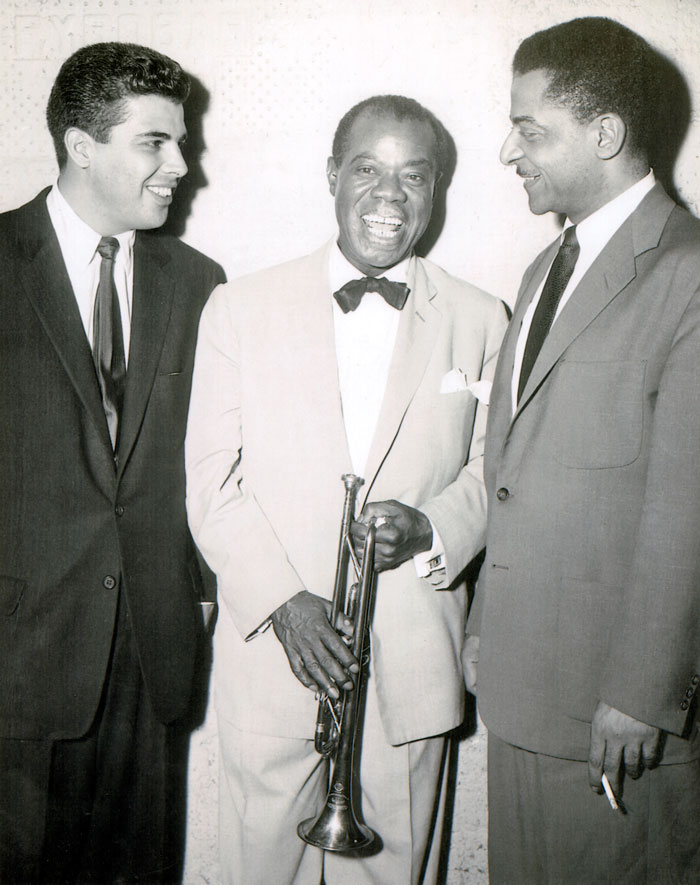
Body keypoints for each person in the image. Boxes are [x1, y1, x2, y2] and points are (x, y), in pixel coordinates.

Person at [185, 94, 507, 884]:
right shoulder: (239, 308)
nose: (390, 197)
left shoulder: (482, 317)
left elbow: (495, 475)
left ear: (437, 191)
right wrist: (287, 604)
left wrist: (431, 530)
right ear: (333, 175)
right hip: (275, 666)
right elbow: (210, 482)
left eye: (414, 176)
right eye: (367, 169)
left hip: (411, 670)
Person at [464, 16, 700, 883]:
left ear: (604, 134)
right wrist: (485, 620)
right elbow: (515, 476)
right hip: (522, 692)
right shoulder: (543, 270)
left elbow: (688, 507)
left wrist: (642, 691)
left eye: (529, 129)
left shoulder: (689, 273)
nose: (506, 150)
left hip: (616, 712)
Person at [0, 42, 225, 883]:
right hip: (16, 663)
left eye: (182, 140)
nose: (181, 164)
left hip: (151, 658)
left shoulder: (199, 282)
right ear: (80, 145)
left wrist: (200, 593)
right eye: (155, 142)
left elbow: (203, 456)